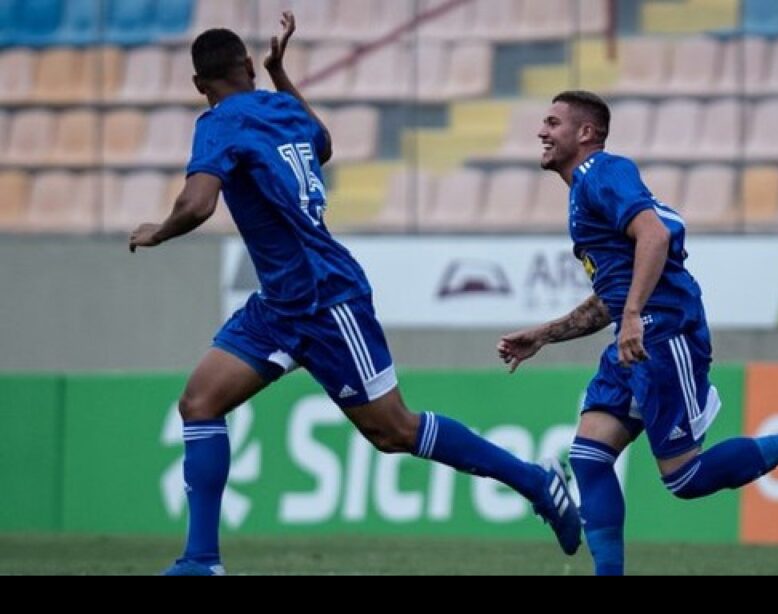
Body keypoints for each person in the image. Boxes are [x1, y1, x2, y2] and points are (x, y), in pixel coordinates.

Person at [130, 13, 580, 576]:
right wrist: (281, 75)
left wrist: (157, 231)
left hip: (326, 299)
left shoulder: (217, 122)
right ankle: (200, 561)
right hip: (278, 305)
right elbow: (322, 144)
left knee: (394, 431)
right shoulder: (283, 108)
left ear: (201, 86)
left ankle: (535, 481)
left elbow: (197, 205)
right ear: (249, 67)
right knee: (199, 403)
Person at [497, 90, 778, 576]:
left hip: (664, 332)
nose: (541, 132)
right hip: (634, 334)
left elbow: (654, 236)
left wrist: (633, 315)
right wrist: (547, 334)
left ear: (586, 133)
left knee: (685, 478)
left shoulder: (603, 172)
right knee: (590, 457)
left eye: (553, 122)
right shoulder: (583, 194)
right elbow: (613, 296)